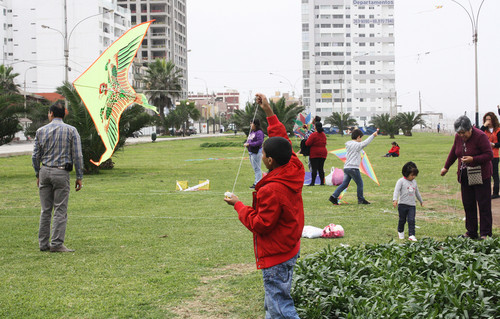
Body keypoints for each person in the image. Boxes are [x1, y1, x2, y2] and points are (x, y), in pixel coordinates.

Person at [224, 93, 303, 319]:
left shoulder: (271, 189)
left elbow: (261, 223)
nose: (263, 156)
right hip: (289, 247)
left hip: (277, 254)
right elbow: (282, 139)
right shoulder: (294, 166)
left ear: (269, 160)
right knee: (274, 303)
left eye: (265, 153)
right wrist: (267, 109)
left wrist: (238, 205)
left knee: (280, 307)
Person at [32, 102, 84, 252]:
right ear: (64, 114)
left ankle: (43, 244)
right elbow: (78, 155)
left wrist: (38, 173)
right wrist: (79, 176)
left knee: (45, 209)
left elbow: (35, 156)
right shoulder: (71, 131)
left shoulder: (40, 131)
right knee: (60, 209)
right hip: (61, 173)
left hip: (45, 171)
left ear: (51, 114)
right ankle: (56, 243)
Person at [441, 116, 493, 240]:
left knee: (483, 204)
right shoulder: (458, 137)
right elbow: (454, 151)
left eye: (463, 133)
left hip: (481, 175)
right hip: (465, 175)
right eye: (459, 133)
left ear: (470, 128)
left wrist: (473, 159)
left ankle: (485, 234)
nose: (461, 135)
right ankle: (471, 232)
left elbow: (489, 154)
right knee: (468, 204)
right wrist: (446, 167)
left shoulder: (480, 136)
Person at [329, 128, 378, 205]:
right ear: (358, 137)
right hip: (353, 168)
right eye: (361, 138)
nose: (361, 140)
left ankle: (333, 196)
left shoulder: (348, 144)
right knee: (360, 184)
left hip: (346, 167)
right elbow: (365, 143)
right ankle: (361, 199)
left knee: (344, 184)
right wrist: (373, 135)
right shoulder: (357, 145)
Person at [393, 162, 423, 241]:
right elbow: (396, 191)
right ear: (406, 174)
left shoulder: (414, 182)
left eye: (415, 175)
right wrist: (395, 199)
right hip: (402, 204)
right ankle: (400, 231)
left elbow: (417, 192)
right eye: (412, 175)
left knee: (411, 220)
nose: (414, 177)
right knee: (402, 220)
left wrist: (421, 200)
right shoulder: (401, 181)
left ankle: (411, 235)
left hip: (412, 205)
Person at [480, 112, 500, 199]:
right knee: (485, 174)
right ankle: (485, 192)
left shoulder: (498, 130)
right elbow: (478, 134)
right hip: (485, 155)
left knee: (494, 174)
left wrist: (494, 145)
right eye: (486, 119)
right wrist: (484, 125)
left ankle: (496, 192)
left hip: (494, 155)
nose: (488, 121)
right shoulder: (484, 130)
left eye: (489, 119)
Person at [244, 118, 264, 189]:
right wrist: (247, 143)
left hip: (256, 152)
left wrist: (250, 144)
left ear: (255, 124)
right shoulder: (252, 132)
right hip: (251, 152)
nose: (250, 125)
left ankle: (257, 183)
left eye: (251, 123)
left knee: (257, 168)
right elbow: (250, 140)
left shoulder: (259, 132)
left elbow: (259, 142)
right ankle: (257, 182)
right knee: (255, 168)